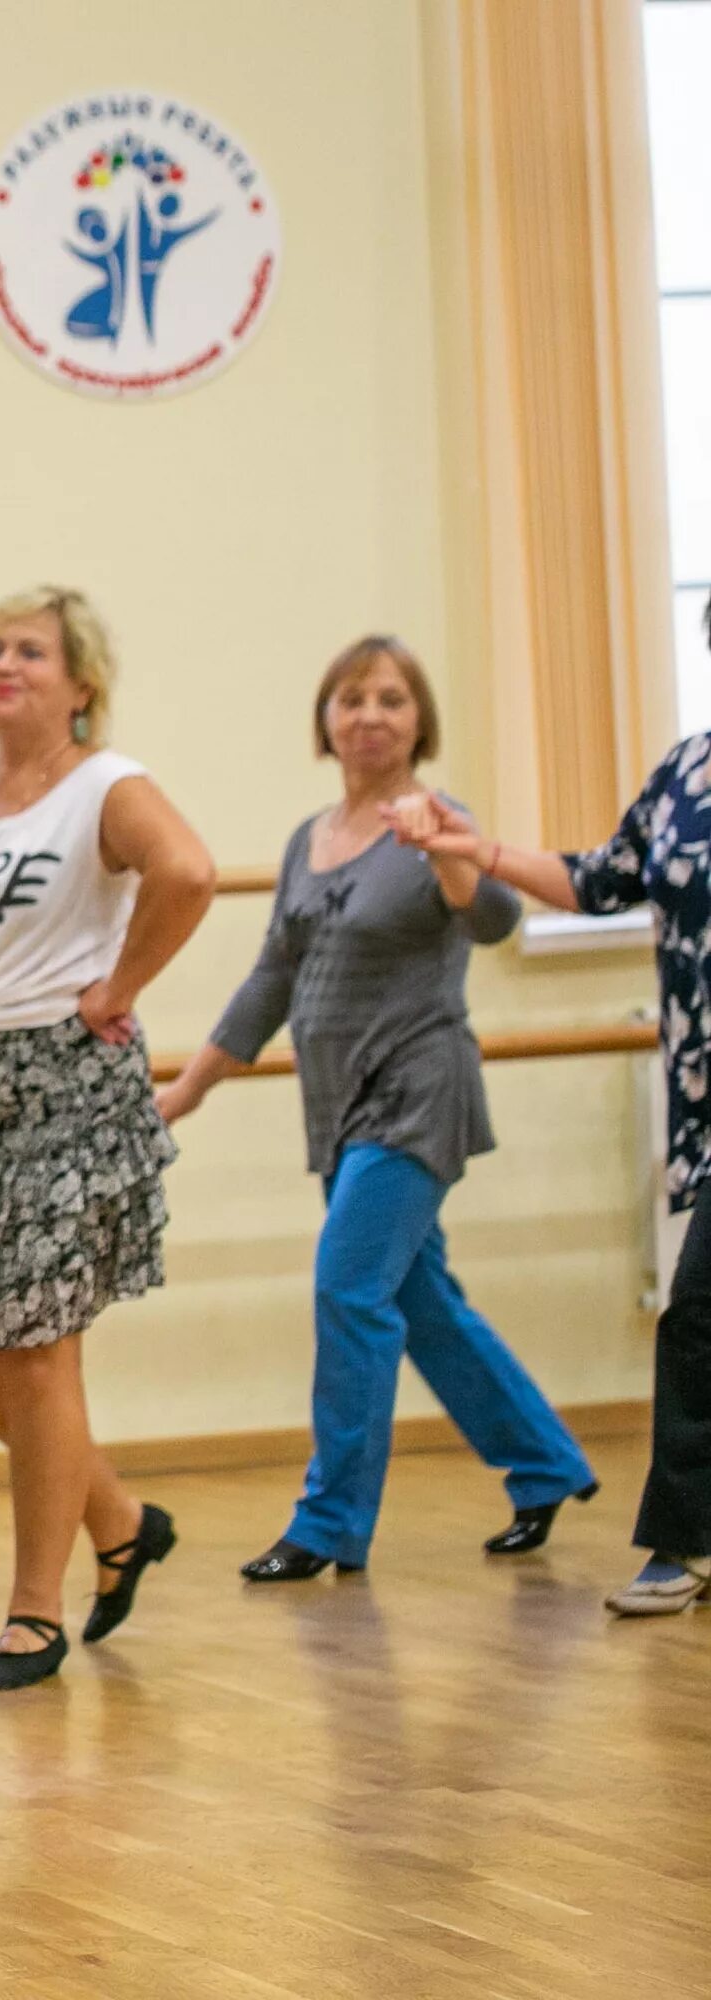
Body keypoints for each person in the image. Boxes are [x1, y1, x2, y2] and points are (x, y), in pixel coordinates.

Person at [161, 638, 596, 1588]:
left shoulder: (442, 819)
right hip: (340, 1106)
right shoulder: (307, 839)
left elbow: (494, 921)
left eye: (392, 700)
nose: (370, 715)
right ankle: (546, 1463)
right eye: (352, 698)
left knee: (348, 1288)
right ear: (326, 718)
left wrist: (448, 856)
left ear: (418, 721)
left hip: (417, 1093)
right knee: (419, 1299)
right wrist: (188, 1089)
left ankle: (328, 1524)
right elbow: (272, 976)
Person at [0, 585, 214, 1690]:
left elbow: (188, 872)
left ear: (81, 682)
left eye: (29, 650)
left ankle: (35, 1609)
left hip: (63, 1086)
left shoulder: (105, 787)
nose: (2, 665)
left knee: (36, 1348)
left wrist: (119, 984)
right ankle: (118, 1517)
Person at [381, 600, 711, 1615]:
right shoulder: (688, 771)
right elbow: (596, 879)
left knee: (699, 1309)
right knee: (698, 1314)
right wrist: (470, 846)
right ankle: (687, 1543)